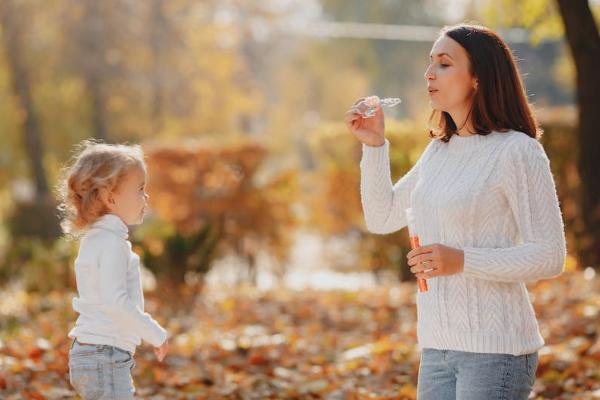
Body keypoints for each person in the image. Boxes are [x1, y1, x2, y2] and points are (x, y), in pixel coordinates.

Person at [344, 24, 566, 399]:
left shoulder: (517, 151)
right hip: (436, 348)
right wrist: (374, 145)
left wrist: (462, 260)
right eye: (430, 63)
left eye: (444, 64)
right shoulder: (440, 152)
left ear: (478, 77)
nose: (429, 73)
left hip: (496, 352)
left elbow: (550, 256)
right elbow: (381, 218)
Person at [58, 140, 169, 399]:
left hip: (93, 353)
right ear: (110, 198)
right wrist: (155, 333)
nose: (146, 197)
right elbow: (115, 302)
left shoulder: (96, 239)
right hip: (104, 356)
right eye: (140, 189)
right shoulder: (112, 244)